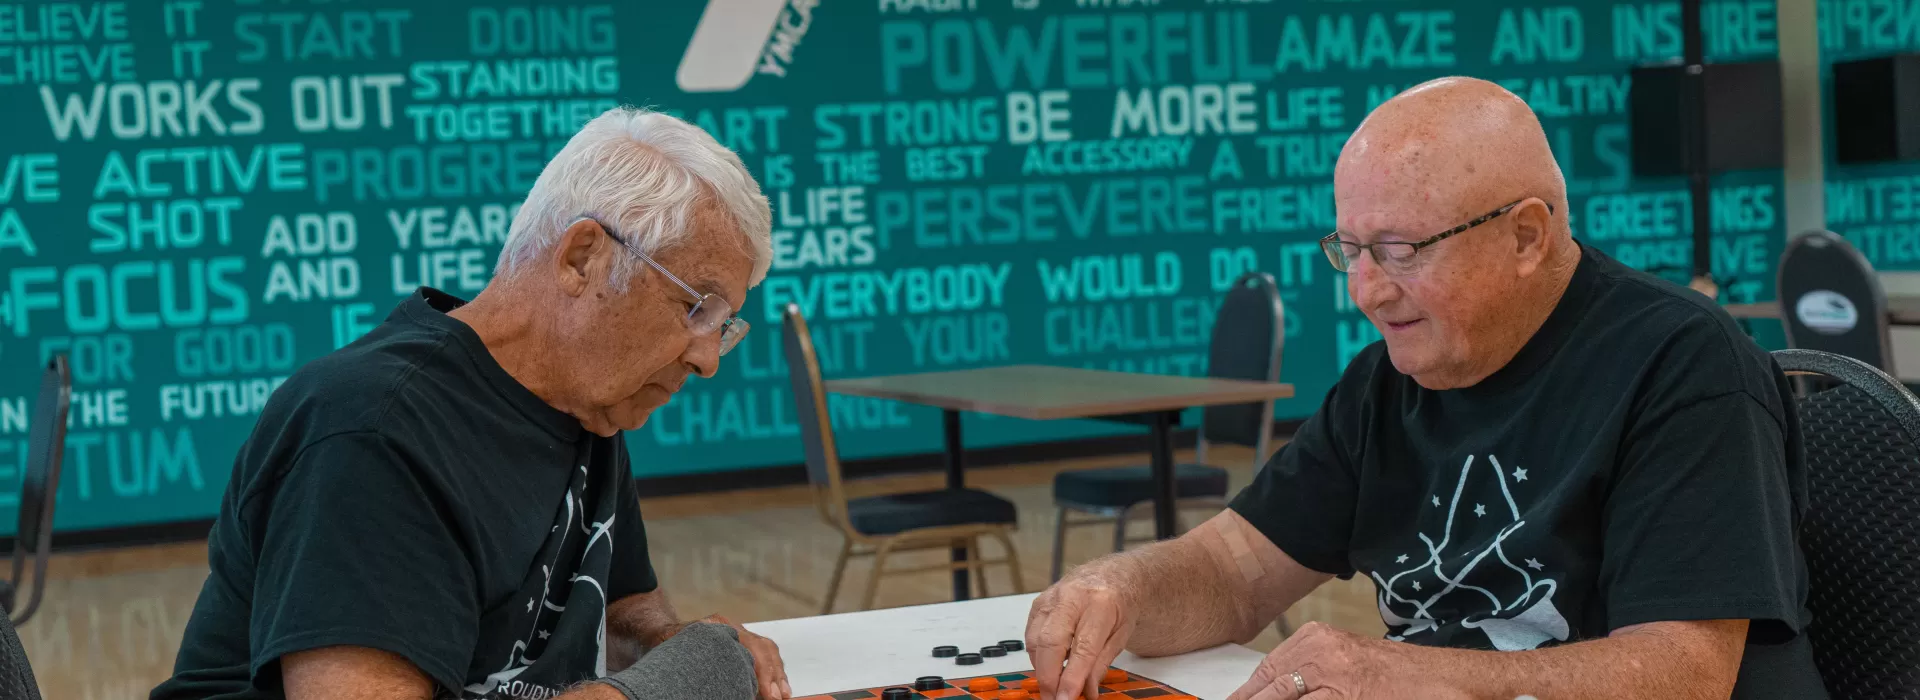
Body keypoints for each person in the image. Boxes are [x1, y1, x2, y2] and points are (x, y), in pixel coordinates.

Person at [1025, 78, 1826, 700]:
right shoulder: (1389, 380)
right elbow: (1234, 572)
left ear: (1525, 236)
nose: (1367, 292)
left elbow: (1684, 673)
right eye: (1352, 250)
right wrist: (1118, 589)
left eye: (1402, 249)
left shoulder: (1683, 364)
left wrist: (1414, 674)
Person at [152, 107, 790, 700]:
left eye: (725, 325)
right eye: (695, 307)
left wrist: (670, 648)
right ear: (582, 259)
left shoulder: (588, 402)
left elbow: (619, 607)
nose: (707, 359)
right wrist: (665, 689)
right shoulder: (371, 431)